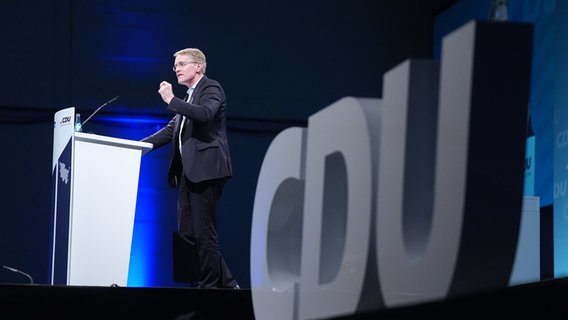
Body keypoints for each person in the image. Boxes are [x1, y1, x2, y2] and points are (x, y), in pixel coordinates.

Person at [141, 48, 238, 289]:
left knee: (204, 233)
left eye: (182, 64)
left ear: (199, 67)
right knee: (187, 233)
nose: (177, 69)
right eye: (175, 65)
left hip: (207, 171)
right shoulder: (188, 98)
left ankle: (210, 287)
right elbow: (169, 131)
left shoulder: (211, 88)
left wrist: (171, 100)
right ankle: (228, 283)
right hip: (187, 173)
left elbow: (205, 114)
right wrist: (133, 148)